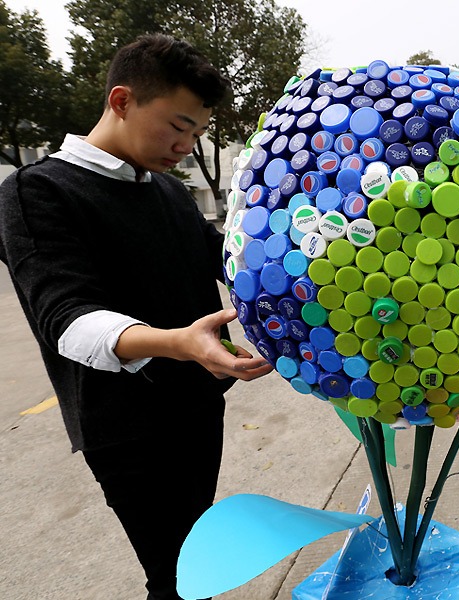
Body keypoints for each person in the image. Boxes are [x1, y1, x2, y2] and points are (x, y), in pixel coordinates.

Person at [0, 34, 273, 599]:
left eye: (196, 134)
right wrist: (179, 342)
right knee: (172, 577)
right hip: (126, 429)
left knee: (198, 560)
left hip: (198, 403)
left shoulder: (167, 191)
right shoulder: (38, 191)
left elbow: (229, 260)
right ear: (121, 101)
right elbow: (66, 318)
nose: (185, 145)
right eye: (177, 126)